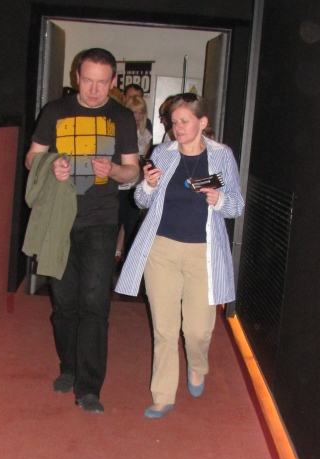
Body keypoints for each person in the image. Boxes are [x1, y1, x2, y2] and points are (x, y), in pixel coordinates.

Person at [115, 93, 244, 418]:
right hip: (162, 250)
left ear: (202, 122)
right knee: (165, 329)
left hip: (204, 253)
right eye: (174, 122)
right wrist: (147, 185)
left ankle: (197, 365)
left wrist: (218, 199)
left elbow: (236, 206)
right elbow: (141, 201)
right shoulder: (163, 153)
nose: (178, 128)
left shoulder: (221, 155)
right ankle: (162, 395)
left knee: (198, 330)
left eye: (185, 121)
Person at [25, 48, 139, 414]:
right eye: (87, 81)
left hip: (101, 221)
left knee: (95, 303)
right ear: (77, 76)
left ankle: (89, 387)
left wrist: (113, 171)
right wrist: (50, 164)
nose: (93, 89)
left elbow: (132, 170)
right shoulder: (55, 111)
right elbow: (31, 157)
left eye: (101, 83)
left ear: (114, 81)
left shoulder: (121, 117)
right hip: (58, 220)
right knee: (64, 305)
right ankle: (69, 367)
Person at [116, 95, 153, 260]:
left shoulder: (145, 133)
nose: (137, 116)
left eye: (140, 112)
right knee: (115, 224)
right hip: (118, 183)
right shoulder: (119, 130)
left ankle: (128, 262)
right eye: (134, 112)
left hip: (136, 184)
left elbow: (146, 158)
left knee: (132, 225)